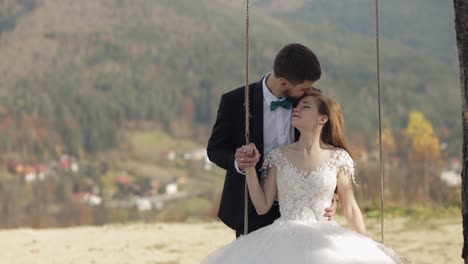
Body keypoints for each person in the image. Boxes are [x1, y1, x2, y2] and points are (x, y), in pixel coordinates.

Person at [202, 92, 403, 263]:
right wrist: (251, 168)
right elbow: (262, 206)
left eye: (305, 107)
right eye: (297, 106)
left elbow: (350, 207)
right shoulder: (278, 156)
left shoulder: (338, 157)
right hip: (283, 237)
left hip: (326, 236)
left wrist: (367, 243)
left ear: (322, 119)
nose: (296, 109)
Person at [207, 43, 338, 238]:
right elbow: (215, 150)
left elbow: (325, 149)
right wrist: (237, 162)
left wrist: (330, 194)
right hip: (251, 207)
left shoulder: (309, 104)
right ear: (284, 83)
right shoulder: (234, 101)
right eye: (304, 88)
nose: (310, 92)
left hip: (302, 211)